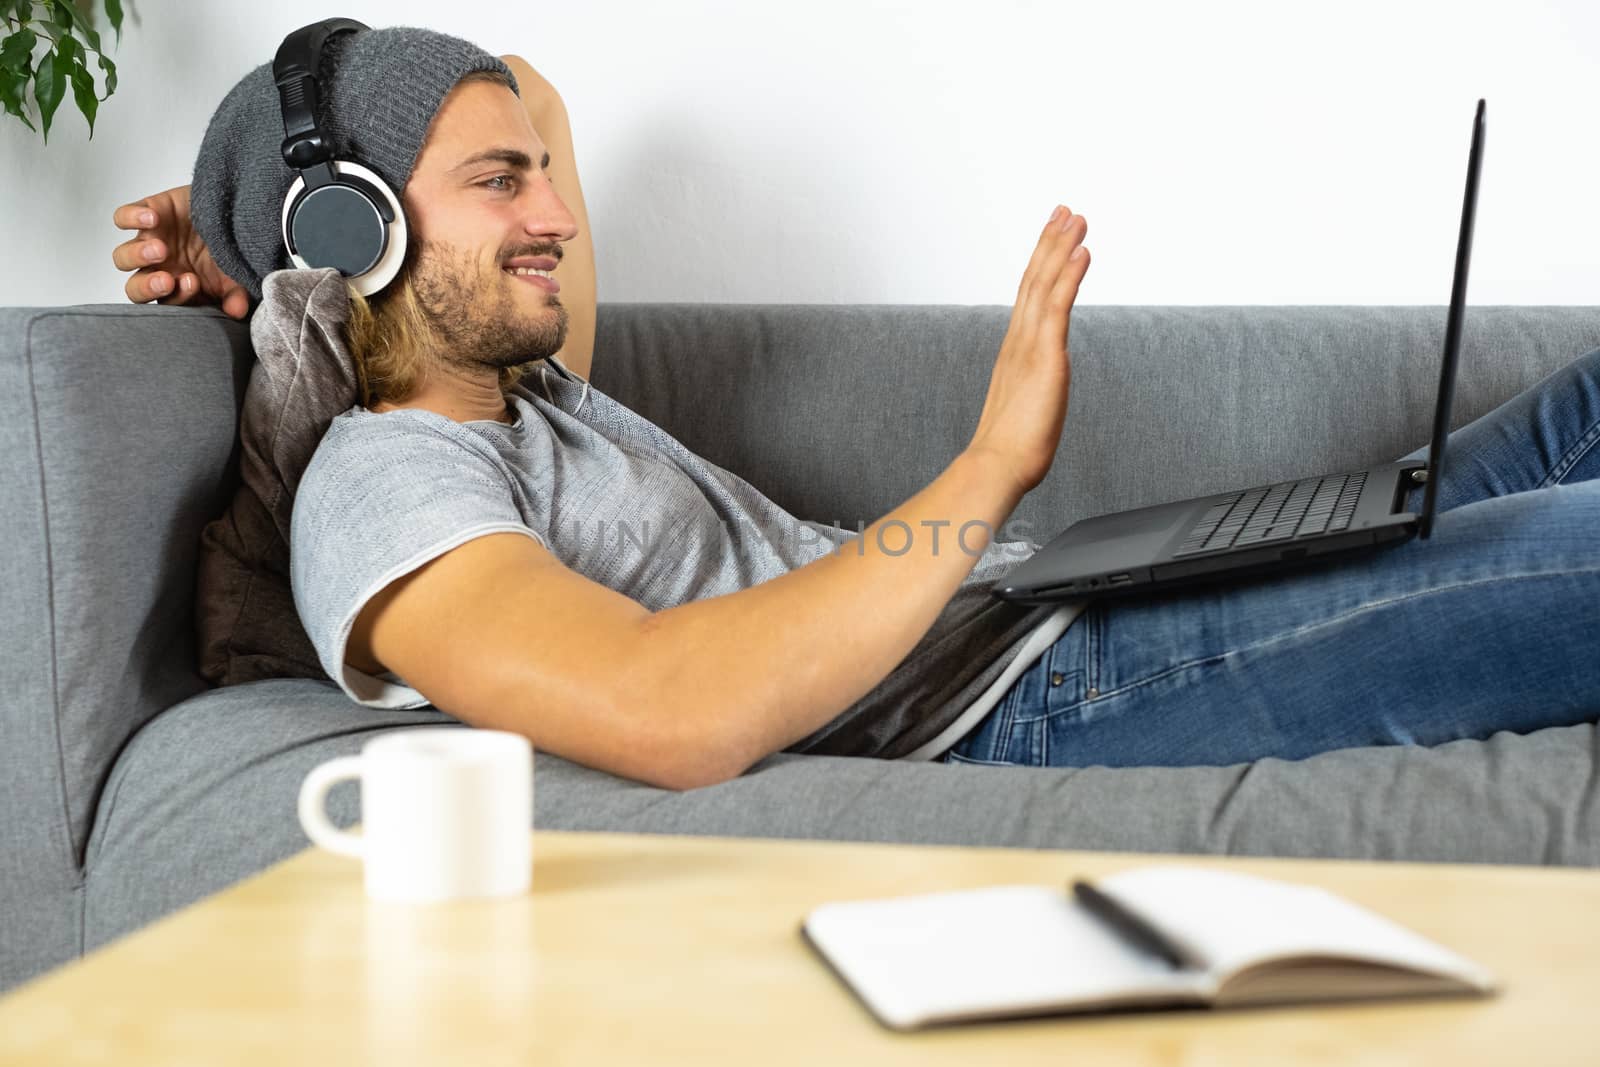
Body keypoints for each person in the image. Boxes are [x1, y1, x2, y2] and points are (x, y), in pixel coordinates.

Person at [113, 24, 1600, 791]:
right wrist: (986, 471)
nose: (555, 210)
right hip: (1029, 706)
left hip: (1040, 617)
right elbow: (665, 710)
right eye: (501, 184)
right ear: (359, 241)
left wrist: (248, 202)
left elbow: (534, 89)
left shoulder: (527, 392)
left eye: (539, 177)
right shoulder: (387, 488)